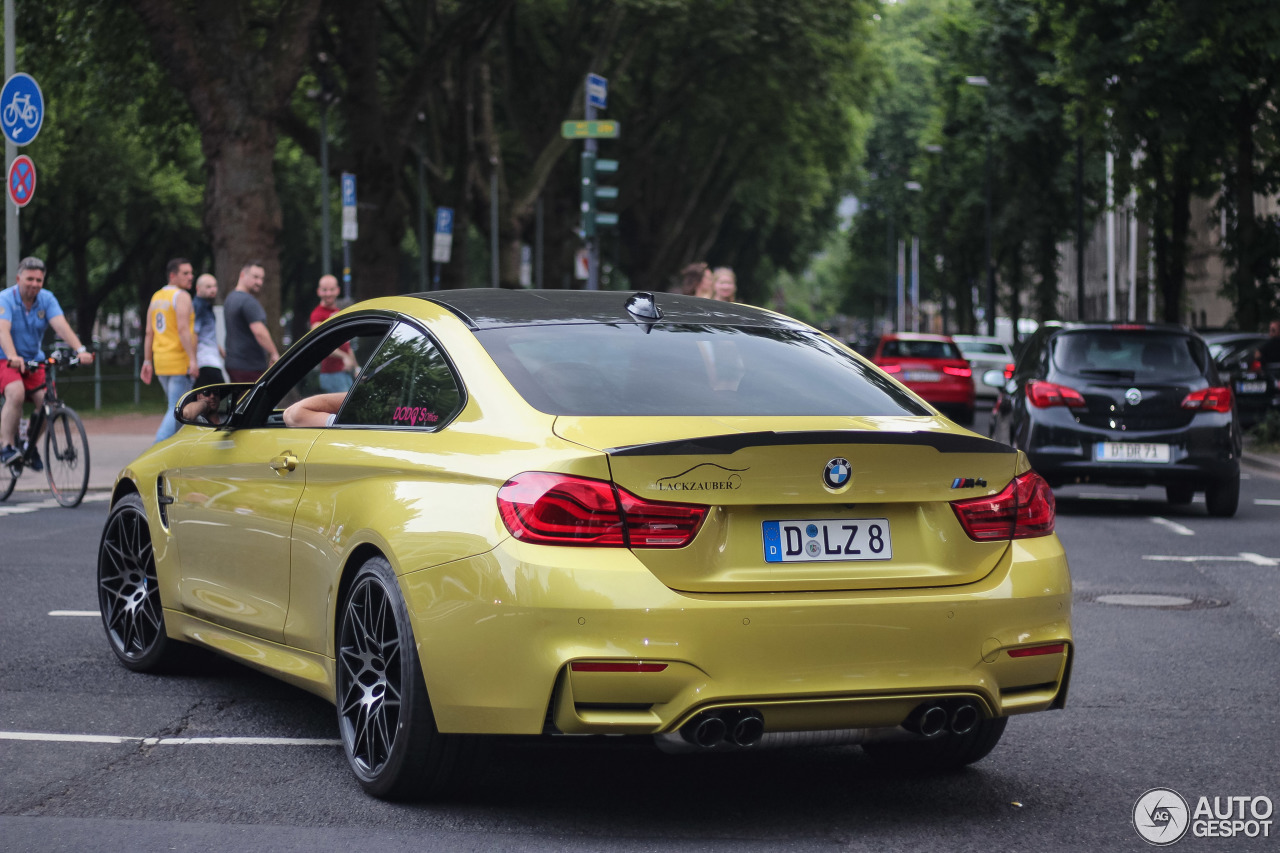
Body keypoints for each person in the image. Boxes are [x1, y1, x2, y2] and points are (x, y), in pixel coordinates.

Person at [0, 257, 95, 468]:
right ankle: (6, 446)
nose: (34, 284)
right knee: (15, 393)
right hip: (5, 358)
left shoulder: (47, 299)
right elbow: (2, 329)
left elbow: (60, 325)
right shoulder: (5, 299)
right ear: (18, 279)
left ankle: (29, 444)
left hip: (34, 359)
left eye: (39, 280)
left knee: (49, 404)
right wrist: (13, 356)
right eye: (30, 279)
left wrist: (80, 350)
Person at [141, 258, 199, 443]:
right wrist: (193, 359)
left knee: (179, 409)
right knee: (175, 408)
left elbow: (149, 332)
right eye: (185, 273)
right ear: (172, 275)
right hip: (178, 361)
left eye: (191, 273)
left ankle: (178, 451)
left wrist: (147, 360)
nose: (191, 277)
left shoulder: (157, 297)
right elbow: (183, 330)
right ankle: (155, 452)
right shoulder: (181, 296)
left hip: (161, 361)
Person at [223, 261, 279, 383]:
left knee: (241, 401)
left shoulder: (230, 298)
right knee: (259, 402)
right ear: (242, 275)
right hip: (249, 366)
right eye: (255, 277)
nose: (259, 282)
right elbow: (259, 332)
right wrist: (274, 353)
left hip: (233, 363)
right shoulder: (248, 301)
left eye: (261, 278)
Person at [309, 274, 356, 392]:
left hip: (344, 373)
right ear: (319, 291)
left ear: (338, 290)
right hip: (331, 375)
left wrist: (356, 368)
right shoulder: (317, 315)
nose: (328, 293)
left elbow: (346, 344)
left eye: (331, 289)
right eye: (325, 290)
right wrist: (345, 357)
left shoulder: (338, 312)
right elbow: (321, 344)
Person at [192, 273, 227, 388]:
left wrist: (219, 348)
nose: (213, 290)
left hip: (210, 358)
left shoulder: (207, 306)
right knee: (219, 394)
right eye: (208, 287)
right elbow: (194, 334)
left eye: (214, 286)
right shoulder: (199, 306)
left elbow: (206, 333)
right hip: (205, 360)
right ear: (198, 288)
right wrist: (193, 361)